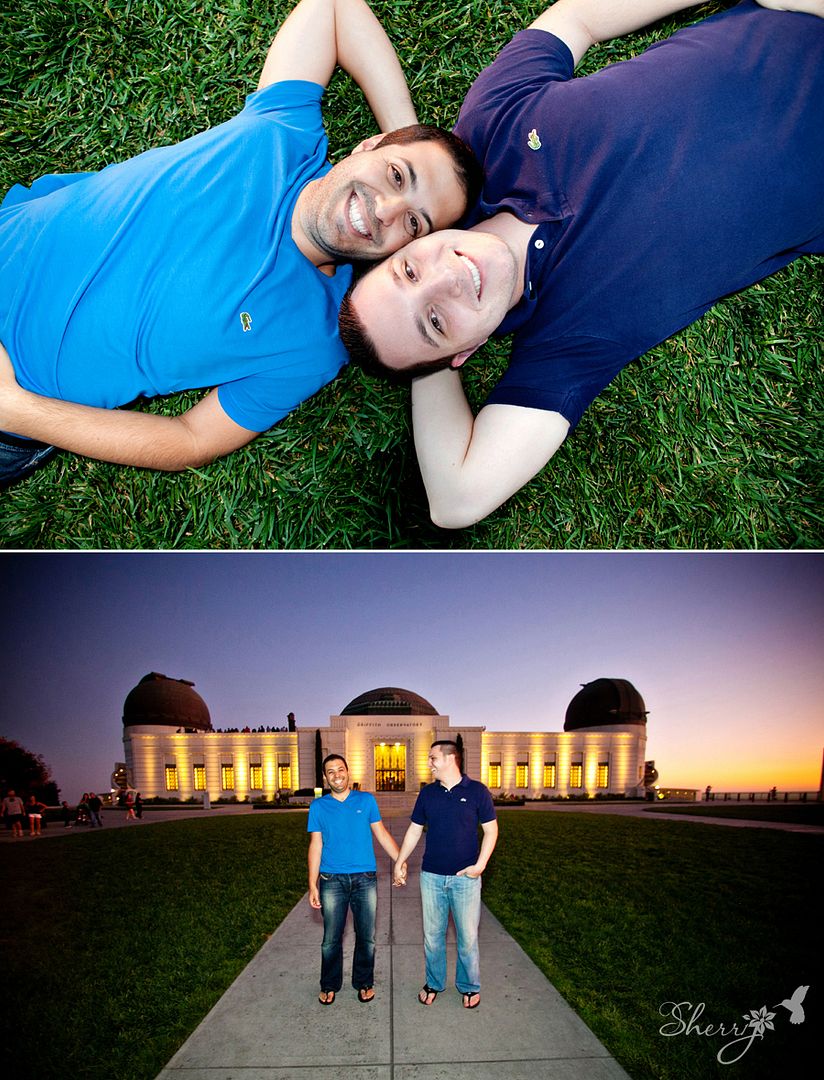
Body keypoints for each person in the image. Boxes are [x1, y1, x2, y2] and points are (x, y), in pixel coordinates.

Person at [340, 0, 824, 528]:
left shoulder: (489, 129)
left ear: (409, 244)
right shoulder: (564, 344)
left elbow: (576, 18)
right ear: (467, 352)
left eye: (409, 271)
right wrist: (427, 365)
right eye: (435, 321)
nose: (448, 278)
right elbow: (455, 498)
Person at [0, 0, 479, 487]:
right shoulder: (282, 132)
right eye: (397, 175)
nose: (386, 210)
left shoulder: (316, 340)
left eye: (415, 224)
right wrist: (406, 134)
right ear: (368, 146)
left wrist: (18, 411)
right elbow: (335, 9)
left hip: (17, 394)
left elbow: (192, 440)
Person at [393, 741, 498, 1009]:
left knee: (467, 938)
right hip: (431, 877)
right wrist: (400, 861)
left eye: (433, 758)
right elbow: (415, 830)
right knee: (432, 936)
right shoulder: (428, 794)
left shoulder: (477, 792)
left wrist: (480, 865)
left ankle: (469, 985)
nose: (429, 763)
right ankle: (434, 983)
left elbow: (491, 831)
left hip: (466, 878)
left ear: (451, 758)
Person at [307, 753, 403, 1004]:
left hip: (365, 878)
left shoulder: (366, 800)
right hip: (331, 880)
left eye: (340, 769)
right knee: (331, 938)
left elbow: (381, 833)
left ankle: (363, 982)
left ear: (348, 772)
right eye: (331, 771)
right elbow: (315, 845)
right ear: (325, 777)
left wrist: (399, 861)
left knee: (366, 936)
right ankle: (329, 984)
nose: (336, 775)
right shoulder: (318, 806)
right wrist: (312, 884)